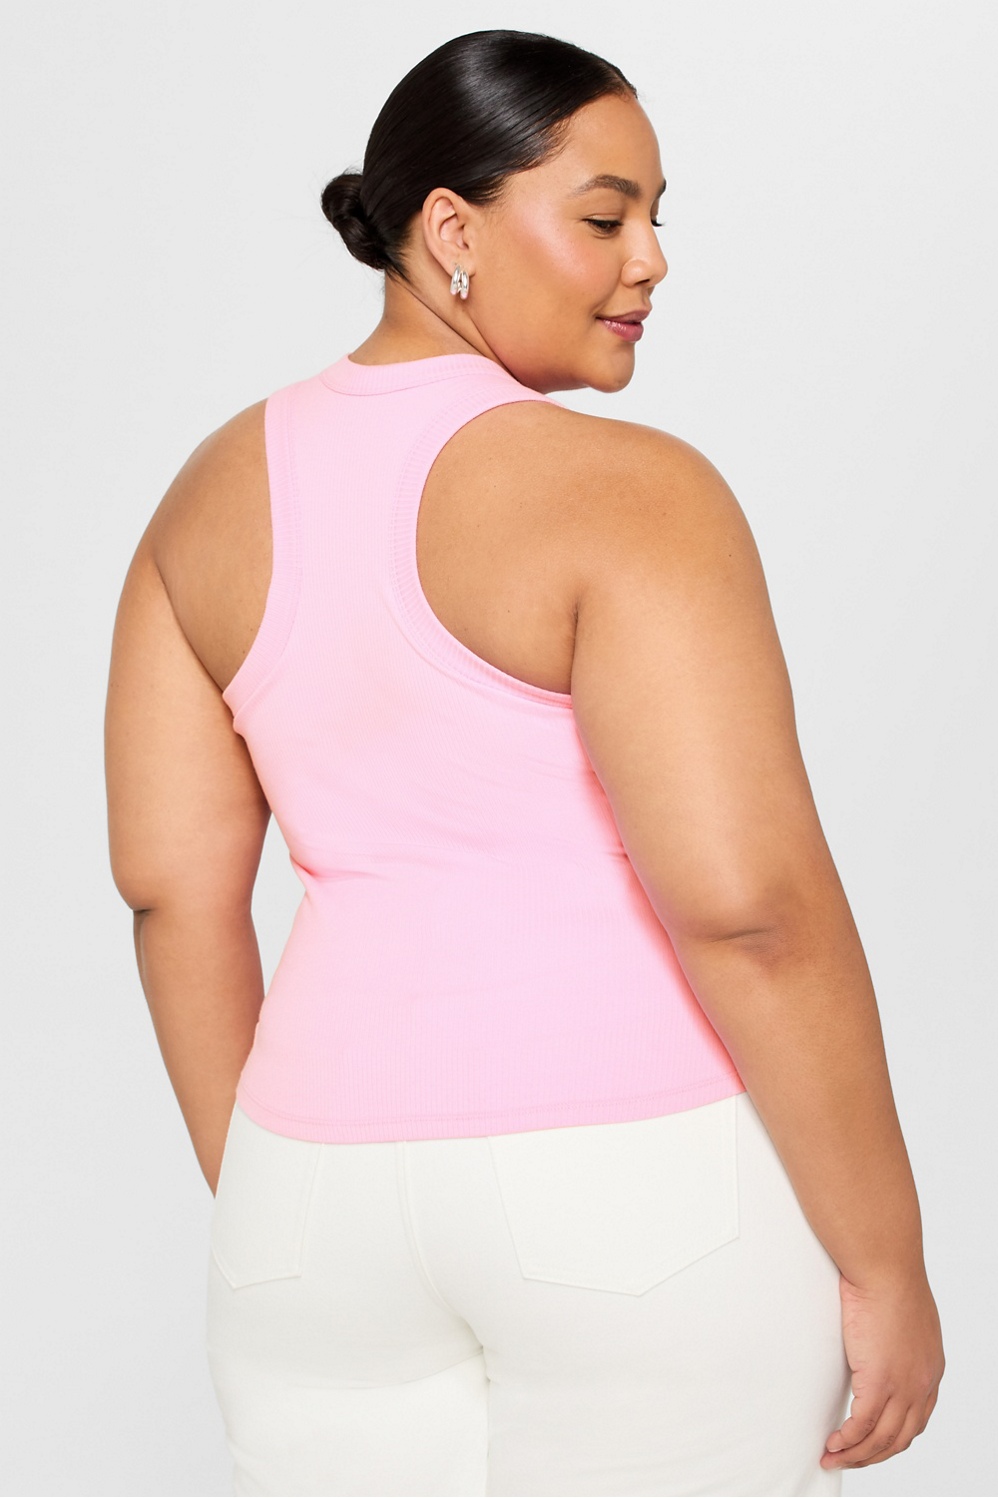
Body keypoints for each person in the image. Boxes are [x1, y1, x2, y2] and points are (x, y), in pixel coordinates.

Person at [103, 27, 944, 1498]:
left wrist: (285, 1206)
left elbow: (172, 894)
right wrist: (886, 1261)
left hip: (305, 1208)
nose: (651, 262)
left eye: (657, 218)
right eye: (605, 217)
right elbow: (749, 908)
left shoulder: (203, 502)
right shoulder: (629, 494)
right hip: (632, 1188)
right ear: (452, 229)